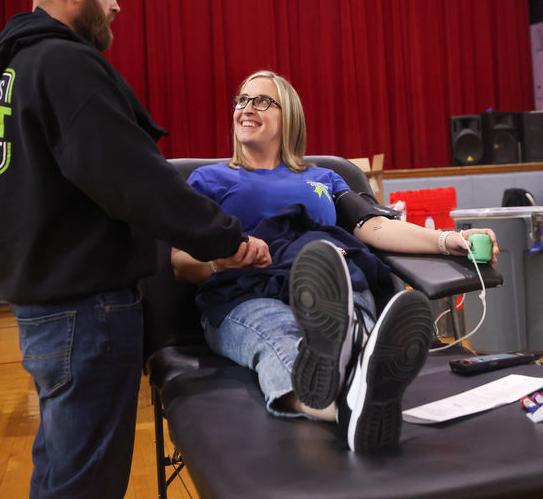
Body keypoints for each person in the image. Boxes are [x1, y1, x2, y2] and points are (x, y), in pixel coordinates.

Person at [0, 0, 271, 499]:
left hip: (48, 301)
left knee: (62, 466)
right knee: (84, 484)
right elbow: (132, 177)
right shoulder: (63, 62)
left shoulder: (11, 64)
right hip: (85, 307)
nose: (117, 4)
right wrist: (225, 239)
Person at [171, 69, 499, 452]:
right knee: (279, 335)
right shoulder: (208, 180)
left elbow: (374, 227)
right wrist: (220, 263)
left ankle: (352, 347)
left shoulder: (324, 177)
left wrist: (448, 240)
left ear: (288, 116)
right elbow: (181, 262)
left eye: (261, 101)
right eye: (241, 100)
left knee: (344, 299)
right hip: (245, 290)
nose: (247, 108)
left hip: (328, 280)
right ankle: (349, 403)